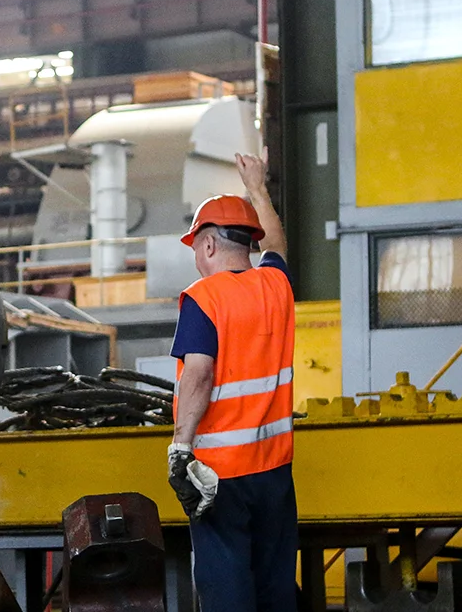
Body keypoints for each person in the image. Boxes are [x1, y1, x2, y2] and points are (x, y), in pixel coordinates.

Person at [166, 149, 298, 612]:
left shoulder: (203, 297)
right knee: (276, 587)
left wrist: (181, 448)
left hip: (220, 476)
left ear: (206, 245)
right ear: (249, 244)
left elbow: (198, 376)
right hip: (275, 471)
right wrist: (258, 189)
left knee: (227, 592)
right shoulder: (277, 287)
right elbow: (277, 245)